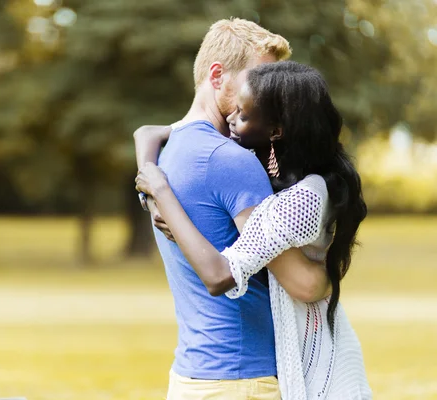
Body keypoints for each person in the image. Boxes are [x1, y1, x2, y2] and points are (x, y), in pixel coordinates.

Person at [135, 61, 372, 399]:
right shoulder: (274, 163)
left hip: (297, 361)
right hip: (230, 366)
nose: (231, 118)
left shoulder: (302, 198)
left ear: (275, 130)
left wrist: (162, 193)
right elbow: (147, 132)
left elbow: (219, 276)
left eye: (243, 115)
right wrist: (150, 188)